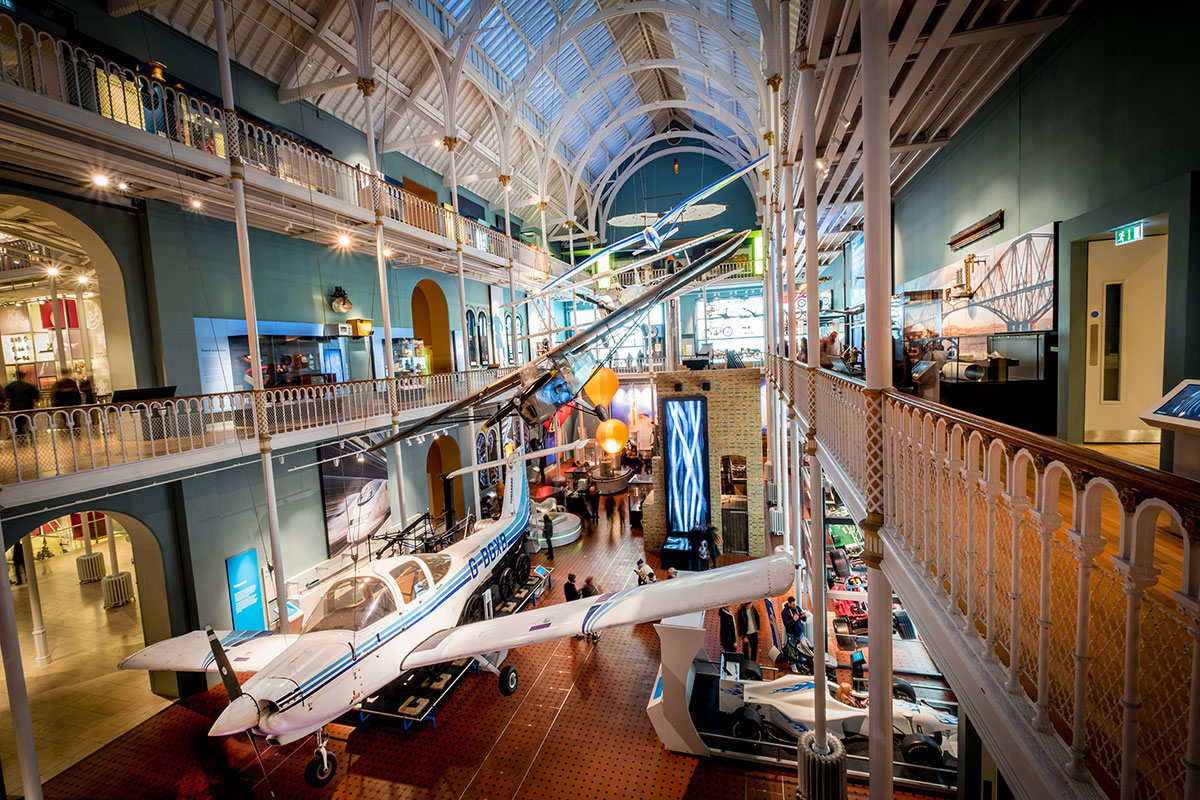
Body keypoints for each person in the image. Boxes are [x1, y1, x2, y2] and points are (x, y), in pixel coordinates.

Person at [6, 366, 38, 437]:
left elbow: (6, 396)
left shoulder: (11, 385)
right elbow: (36, 395)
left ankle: (21, 438)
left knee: (18, 425)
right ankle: (32, 437)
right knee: (30, 423)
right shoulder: (28, 385)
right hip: (28, 407)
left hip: (15, 408)